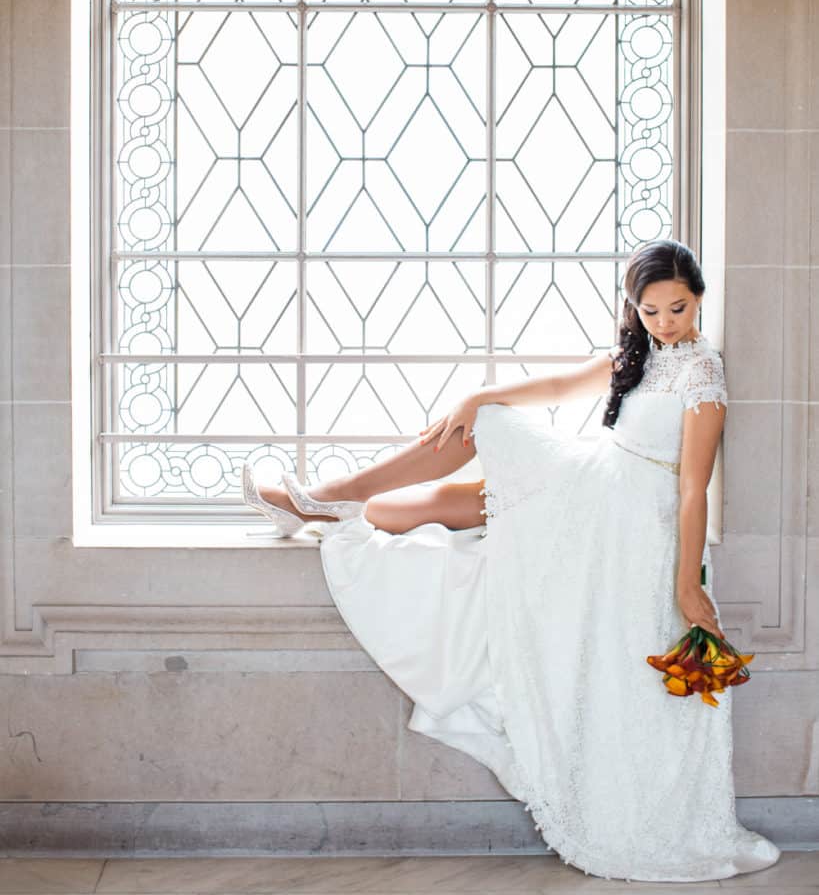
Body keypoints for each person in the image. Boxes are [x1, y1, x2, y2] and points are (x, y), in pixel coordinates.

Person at [241, 238, 782, 882]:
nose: (665, 323)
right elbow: (559, 383)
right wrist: (478, 393)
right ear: (633, 308)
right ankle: (330, 505)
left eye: (679, 309)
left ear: (699, 299)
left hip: (628, 515)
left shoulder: (702, 372)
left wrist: (687, 586)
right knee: (466, 472)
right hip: (597, 482)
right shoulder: (638, 357)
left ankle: (324, 498)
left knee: (485, 449)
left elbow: (693, 487)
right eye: (651, 311)